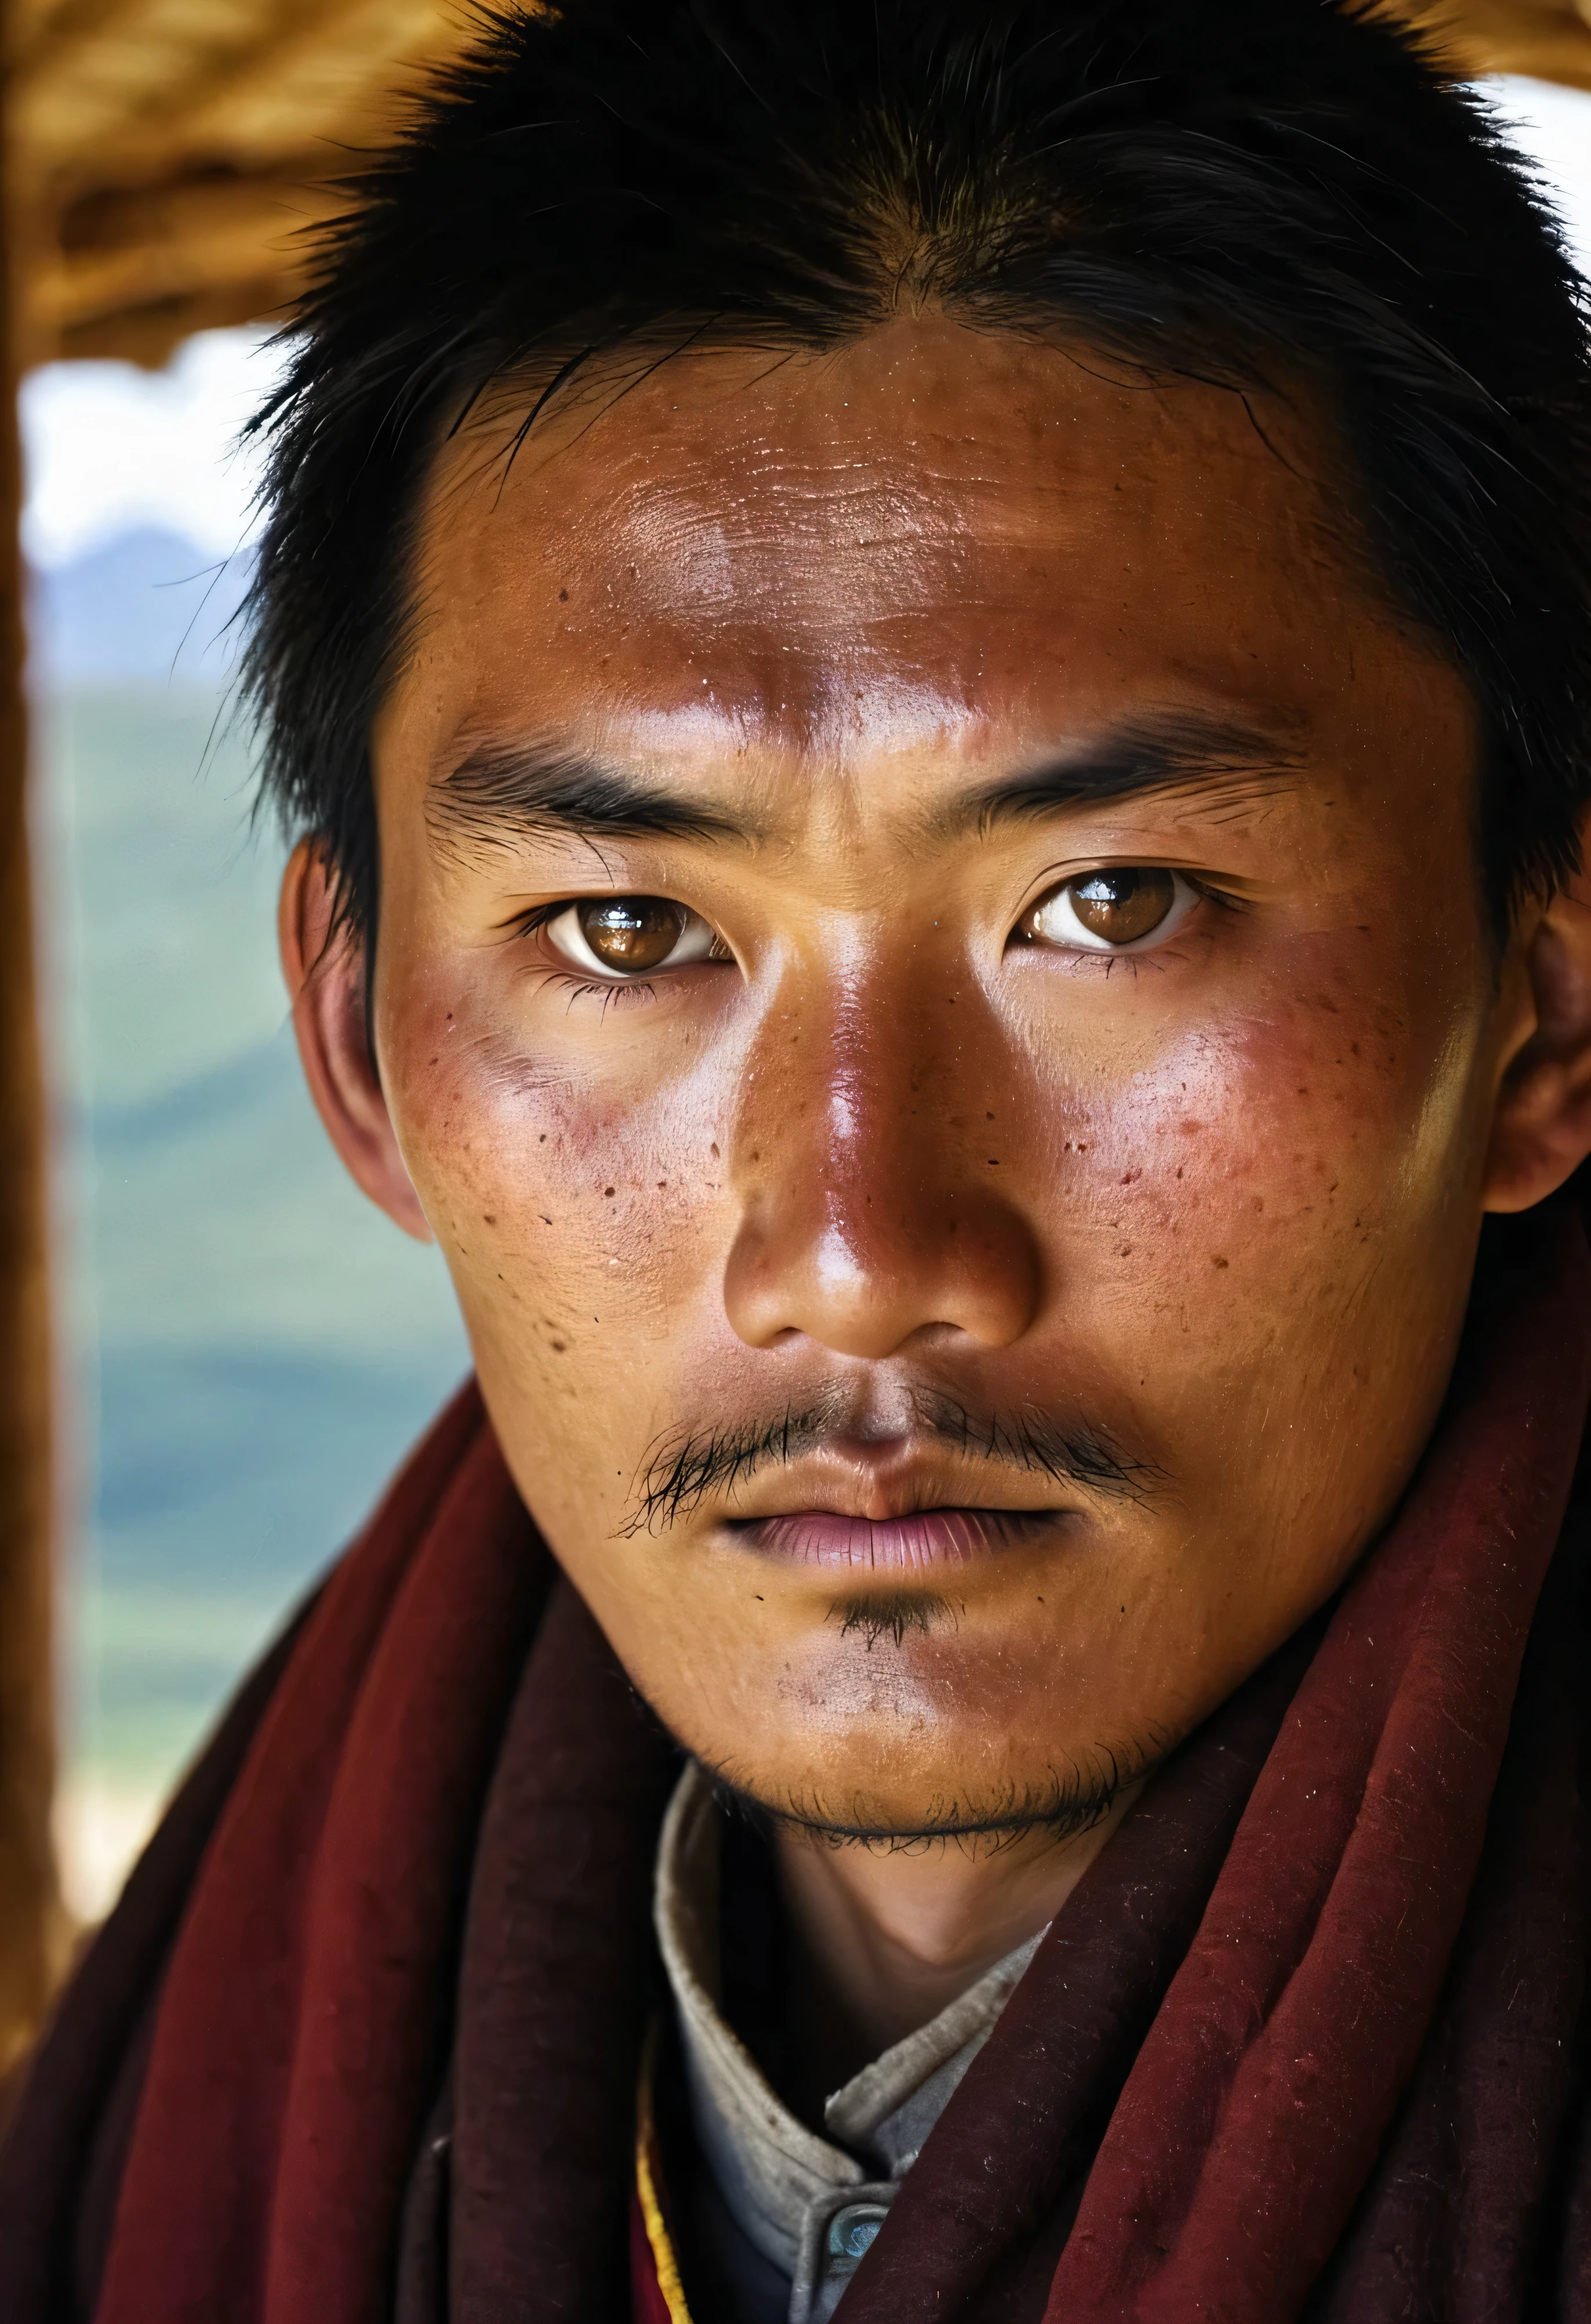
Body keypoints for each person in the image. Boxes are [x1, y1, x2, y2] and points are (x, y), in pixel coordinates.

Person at [8, 0, 1591, 2315]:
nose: (856, 1255)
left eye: (1108, 906)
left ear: (1541, 1000)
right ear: (356, 1048)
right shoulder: (182, 2101)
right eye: (624, 930)